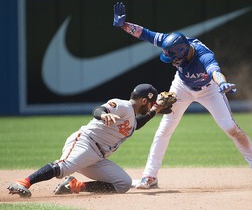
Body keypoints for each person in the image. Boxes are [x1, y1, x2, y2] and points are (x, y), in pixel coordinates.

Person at [113, 2, 252, 189]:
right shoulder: (171, 42)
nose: (170, 60)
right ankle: (150, 176)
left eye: (172, 58)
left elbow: (214, 71)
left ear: (183, 52)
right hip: (182, 87)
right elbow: (144, 33)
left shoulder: (203, 56)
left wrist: (222, 83)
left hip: (209, 89)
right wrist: (124, 25)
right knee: (164, 129)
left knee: (231, 129)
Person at [7, 83, 172, 197]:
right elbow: (99, 109)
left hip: (97, 157)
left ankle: (74, 186)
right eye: (151, 104)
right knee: (64, 167)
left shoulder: (132, 117)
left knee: (123, 183)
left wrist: (155, 110)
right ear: (144, 101)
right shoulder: (122, 105)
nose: (150, 107)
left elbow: (137, 124)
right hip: (85, 143)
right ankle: (24, 182)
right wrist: (103, 114)